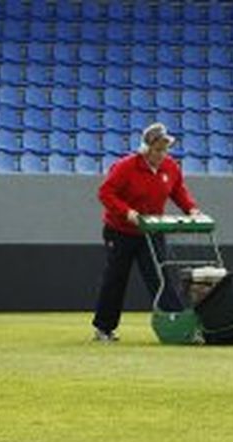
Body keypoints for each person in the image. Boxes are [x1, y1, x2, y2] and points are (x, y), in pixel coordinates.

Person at [91, 122, 201, 343]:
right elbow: (105, 193)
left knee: (161, 278)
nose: (162, 154)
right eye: (158, 149)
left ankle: (177, 326)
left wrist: (191, 209)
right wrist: (127, 212)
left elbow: (178, 191)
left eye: (165, 149)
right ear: (146, 148)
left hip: (152, 230)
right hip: (120, 231)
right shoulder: (125, 167)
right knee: (116, 278)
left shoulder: (170, 167)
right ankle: (104, 328)